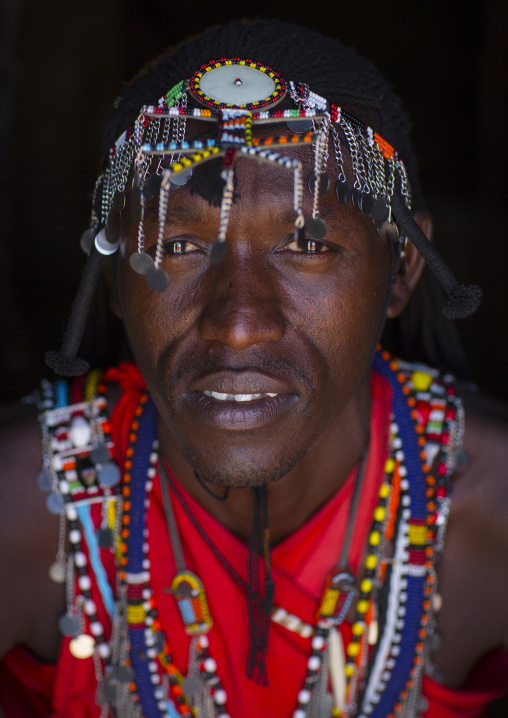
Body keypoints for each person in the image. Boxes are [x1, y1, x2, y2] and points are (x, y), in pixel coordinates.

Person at [1, 18, 507, 718]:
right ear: (116, 281)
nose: (238, 324)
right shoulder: (26, 511)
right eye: (176, 245)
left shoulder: (491, 509)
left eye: (307, 243)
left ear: (402, 270)